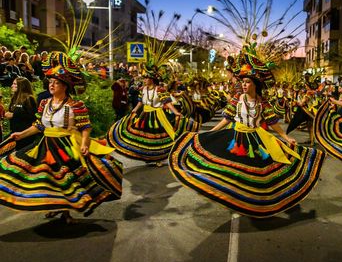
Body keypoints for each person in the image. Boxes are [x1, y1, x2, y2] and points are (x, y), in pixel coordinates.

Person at [169, 50, 326, 217]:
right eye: (243, 81)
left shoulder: (262, 102)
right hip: (236, 138)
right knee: (232, 171)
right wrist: (209, 134)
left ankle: (253, 203)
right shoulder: (238, 98)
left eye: (247, 82)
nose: (244, 85)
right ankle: (234, 199)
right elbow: (227, 119)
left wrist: (286, 137)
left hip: (256, 139)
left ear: (255, 84)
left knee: (258, 174)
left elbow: (272, 122)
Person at [0, 52, 122, 223]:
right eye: (50, 82)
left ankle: (66, 211)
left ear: (65, 86)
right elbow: (39, 125)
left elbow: (85, 128)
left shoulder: (76, 106)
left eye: (56, 83)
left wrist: (85, 144)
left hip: (65, 146)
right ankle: (54, 206)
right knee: (46, 177)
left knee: (64, 178)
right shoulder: (44, 104)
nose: (52, 85)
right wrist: (21, 134)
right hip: (45, 145)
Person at [107, 65, 200, 164]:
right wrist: (134, 110)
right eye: (145, 78)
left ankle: (158, 158)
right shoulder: (143, 89)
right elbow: (140, 102)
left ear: (152, 79)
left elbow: (167, 102)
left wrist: (176, 112)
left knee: (157, 138)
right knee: (144, 137)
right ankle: (148, 157)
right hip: (145, 115)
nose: (145, 80)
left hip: (158, 116)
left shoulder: (159, 90)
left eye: (147, 78)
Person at [4, 77, 38, 149]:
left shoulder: (29, 98)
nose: (12, 86)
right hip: (14, 131)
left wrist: (14, 115)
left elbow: (33, 116)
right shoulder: (14, 98)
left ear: (21, 86)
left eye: (14, 84)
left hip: (26, 133)